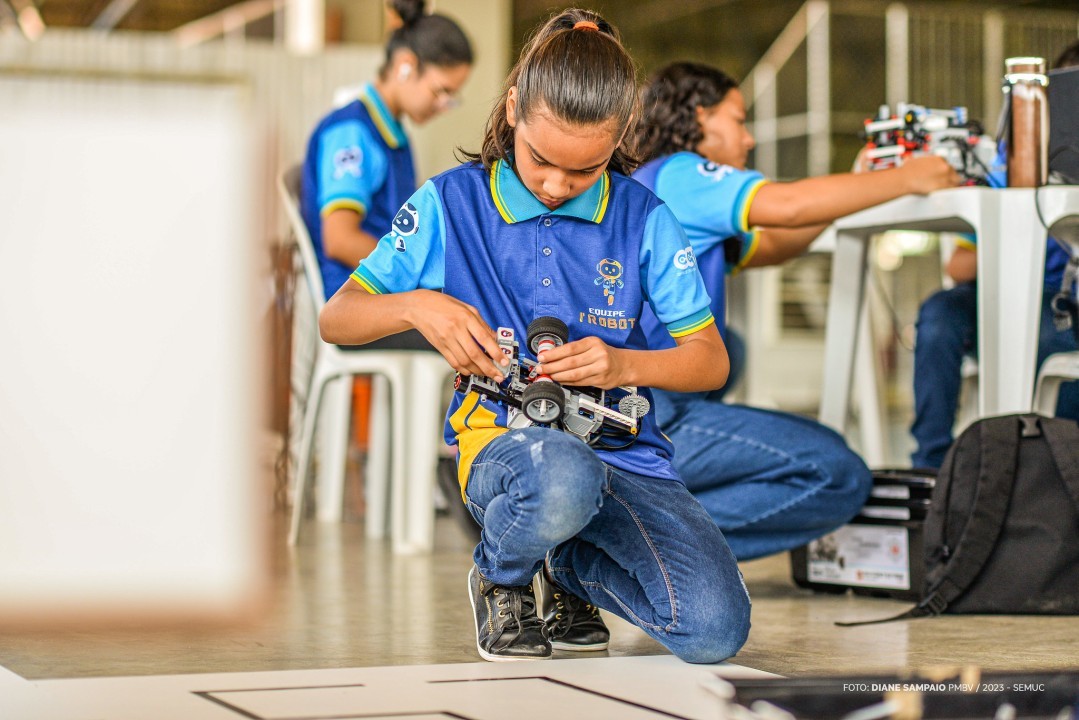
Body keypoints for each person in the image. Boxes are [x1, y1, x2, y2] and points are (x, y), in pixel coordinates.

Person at [320, 9, 751, 664]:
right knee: (562, 474)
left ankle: (569, 567)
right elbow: (337, 318)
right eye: (541, 161)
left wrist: (622, 362)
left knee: (714, 629)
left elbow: (709, 360)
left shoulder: (644, 217)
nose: (555, 186)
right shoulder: (450, 203)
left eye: (584, 171)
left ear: (617, 139)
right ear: (514, 109)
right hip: (505, 445)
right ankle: (502, 575)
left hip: (623, 454)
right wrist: (419, 306)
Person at [633, 61, 961, 561]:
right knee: (837, 473)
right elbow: (786, 206)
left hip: (640, 396)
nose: (747, 140)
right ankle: (629, 536)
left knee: (731, 349)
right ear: (699, 118)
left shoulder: (657, 184)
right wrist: (906, 178)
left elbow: (772, 245)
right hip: (652, 410)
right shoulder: (682, 173)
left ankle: (642, 513)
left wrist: (857, 185)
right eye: (738, 121)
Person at [910, 41, 1079, 469]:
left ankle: (1047, 476)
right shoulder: (1006, 165)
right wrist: (1011, 224)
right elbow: (958, 267)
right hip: (1001, 295)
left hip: (1060, 306)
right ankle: (932, 469)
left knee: (1051, 337)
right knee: (938, 315)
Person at [300, 0, 472, 349]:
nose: (443, 106)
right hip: (358, 303)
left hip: (390, 291)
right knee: (474, 329)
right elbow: (341, 238)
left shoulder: (392, 134)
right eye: (441, 92)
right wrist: (419, 283)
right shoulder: (353, 134)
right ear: (406, 66)